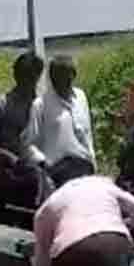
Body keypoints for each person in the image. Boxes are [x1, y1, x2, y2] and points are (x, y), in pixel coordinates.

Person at [0, 52, 46, 266]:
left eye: (33, 77)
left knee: (28, 227)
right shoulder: (2, 103)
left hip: (31, 175)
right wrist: (7, 157)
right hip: (6, 173)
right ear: (16, 76)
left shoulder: (40, 105)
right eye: (25, 76)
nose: (29, 82)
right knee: (3, 226)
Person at [23, 55, 96, 188]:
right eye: (58, 77)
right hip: (57, 173)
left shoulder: (81, 97)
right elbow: (29, 145)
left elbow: (88, 135)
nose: (63, 82)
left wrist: (94, 164)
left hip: (85, 169)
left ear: (73, 75)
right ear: (51, 78)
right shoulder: (40, 105)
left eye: (67, 77)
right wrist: (44, 165)